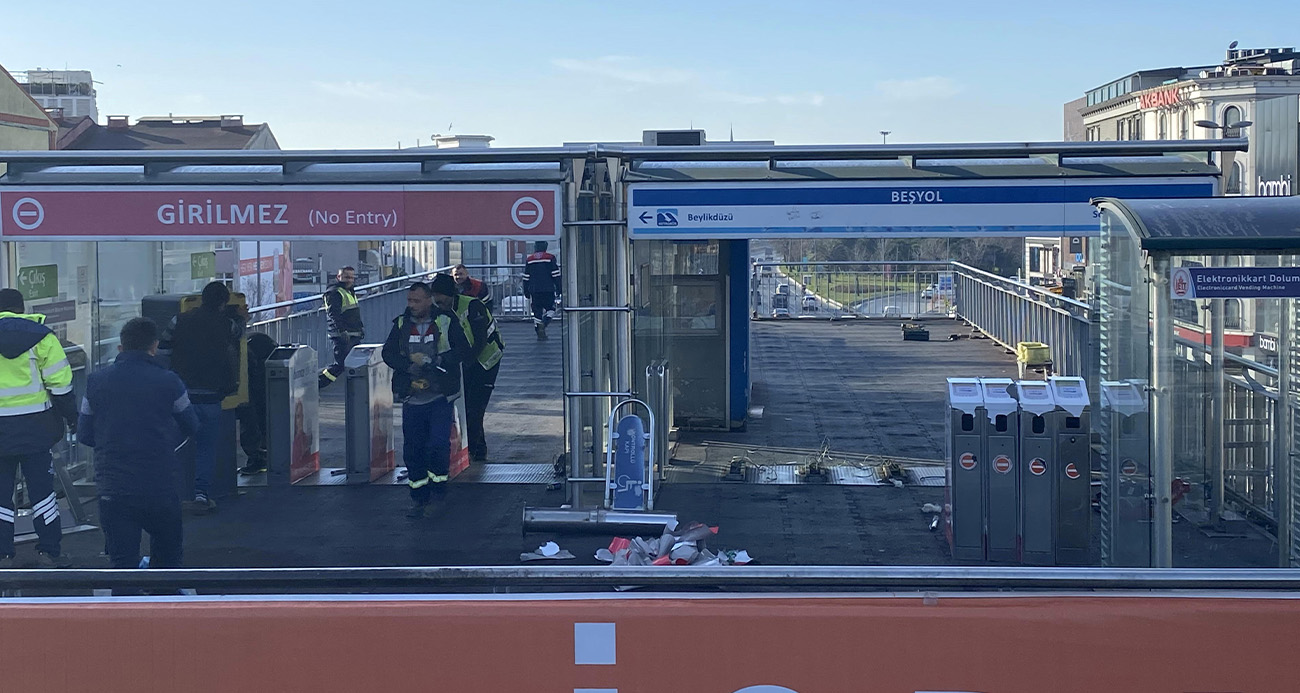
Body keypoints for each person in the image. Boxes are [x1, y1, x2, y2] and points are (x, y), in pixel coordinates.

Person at [78, 318, 199, 569]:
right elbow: (191, 425)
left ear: (121, 347)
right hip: (159, 482)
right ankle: (163, 599)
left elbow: (84, 434)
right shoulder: (170, 381)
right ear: (154, 346)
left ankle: (125, 603)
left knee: (122, 564)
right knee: (168, 560)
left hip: (114, 485)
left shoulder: (95, 382)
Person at [0, 288, 77, 568]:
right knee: (42, 492)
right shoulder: (42, 337)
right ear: (22, 308)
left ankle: (3, 555)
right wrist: (71, 417)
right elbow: (61, 385)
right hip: (36, 431)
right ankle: (49, 552)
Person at [381, 282, 470, 518]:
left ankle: (438, 487)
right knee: (413, 449)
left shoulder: (446, 321)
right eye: (409, 301)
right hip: (412, 397)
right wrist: (409, 367)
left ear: (429, 300)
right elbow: (388, 353)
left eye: (416, 301)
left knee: (438, 445)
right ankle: (419, 496)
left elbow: (463, 349)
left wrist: (439, 361)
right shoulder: (401, 324)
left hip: (439, 394)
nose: (411, 305)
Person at [164, 281, 242, 513]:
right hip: (211, 396)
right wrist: (237, 316)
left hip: (182, 396)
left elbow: (163, 350)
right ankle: (200, 494)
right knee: (206, 447)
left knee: (174, 445)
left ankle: (171, 492)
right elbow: (239, 334)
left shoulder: (179, 320)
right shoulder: (226, 324)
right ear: (223, 302)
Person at [430, 273, 505, 462]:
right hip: (465, 361)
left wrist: (464, 365)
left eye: (443, 299)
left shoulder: (472, 306)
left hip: (487, 359)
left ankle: (472, 451)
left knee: (475, 407)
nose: (440, 304)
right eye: (436, 300)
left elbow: (479, 341)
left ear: (451, 294)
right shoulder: (438, 311)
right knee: (467, 406)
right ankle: (478, 449)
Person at [236, 332, 279, 476]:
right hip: (260, 388)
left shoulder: (245, 344)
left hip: (248, 391)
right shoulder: (258, 341)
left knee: (250, 424)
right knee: (261, 422)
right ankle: (263, 459)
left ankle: (257, 460)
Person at [319, 266, 364, 389]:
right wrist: (341, 331)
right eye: (346, 277)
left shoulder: (349, 291)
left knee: (353, 363)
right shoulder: (334, 292)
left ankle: (356, 390)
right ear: (339, 277)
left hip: (353, 334)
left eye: (351, 277)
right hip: (342, 335)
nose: (349, 280)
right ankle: (317, 384)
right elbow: (334, 314)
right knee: (341, 365)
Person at [523, 241, 561, 340]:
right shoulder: (550, 258)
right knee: (551, 309)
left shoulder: (530, 259)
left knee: (537, 312)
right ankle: (544, 323)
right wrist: (559, 288)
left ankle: (539, 332)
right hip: (548, 289)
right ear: (545, 247)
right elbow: (555, 275)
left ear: (535, 247)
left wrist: (526, 291)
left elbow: (526, 277)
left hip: (534, 289)